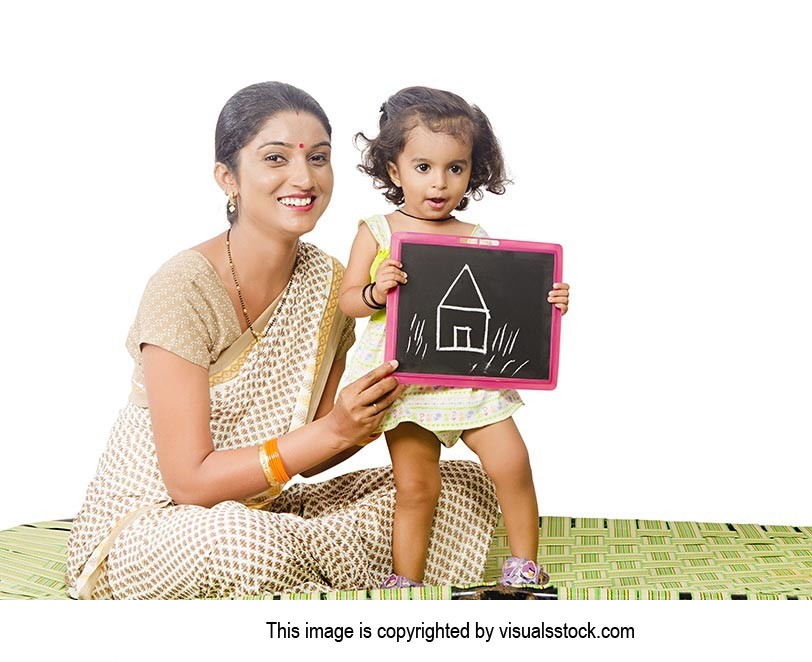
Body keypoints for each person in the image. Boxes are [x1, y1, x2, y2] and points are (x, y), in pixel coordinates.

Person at [65, 82, 500, 599]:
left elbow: (315, 450)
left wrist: (371, 415)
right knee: (238, 544)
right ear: (228, 178)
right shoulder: (181, 287)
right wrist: (338, 428)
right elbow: (189, 484)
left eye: (319, 158)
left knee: (462, 488)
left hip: (266, 509)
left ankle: (310, 563)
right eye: (276, 158)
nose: (304, 177)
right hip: (156, 524)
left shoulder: (328, 281)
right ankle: (314, 564)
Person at [339, 86, 570, 589]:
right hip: (407, 376)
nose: (440, 183)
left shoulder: (475, 236)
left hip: (471, 377)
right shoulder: (378, 231)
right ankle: (406, 580)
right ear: (394, 171)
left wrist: (546, 302)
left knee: (512, 463)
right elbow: (348, 300)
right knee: (417, 486)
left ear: (473, 171)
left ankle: (524, 562)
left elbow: (505, 307)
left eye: (456, 168)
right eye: (423, 167)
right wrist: (376, 292)